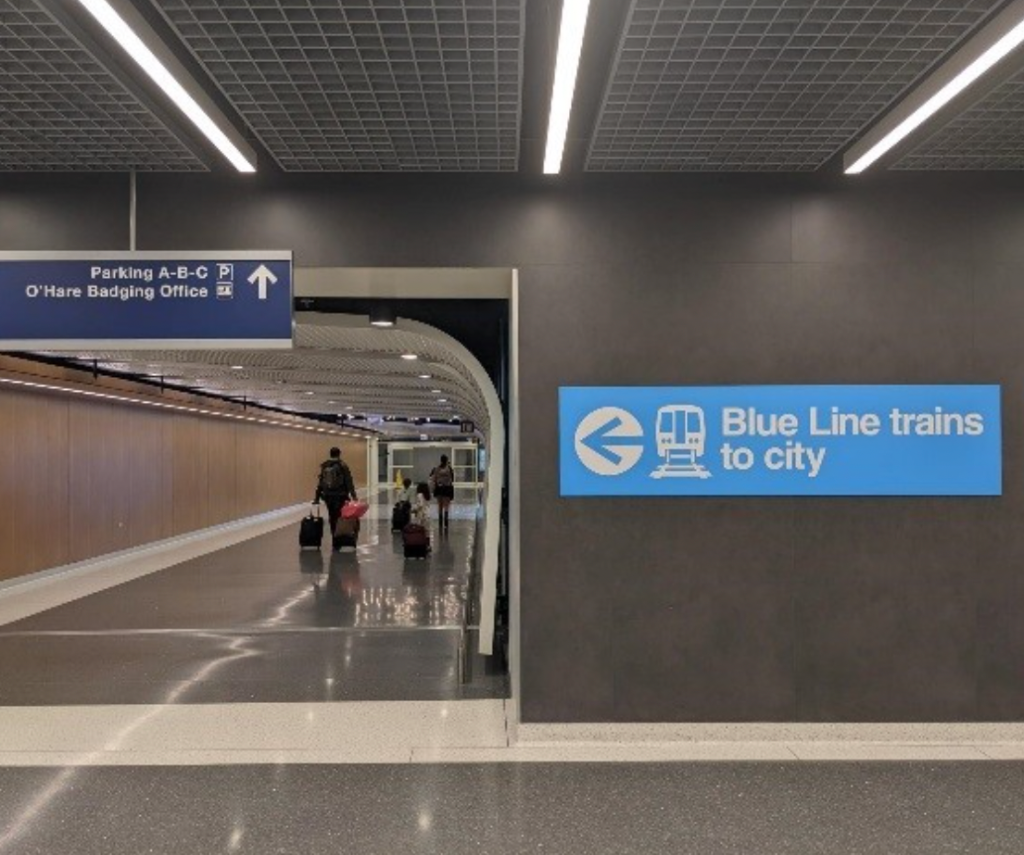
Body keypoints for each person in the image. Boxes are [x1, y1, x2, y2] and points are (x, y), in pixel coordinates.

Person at [315, 446, 357, 537]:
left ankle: (333, 533)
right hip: (340, 495)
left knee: (331, 515)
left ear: (330, 454)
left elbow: (320, 482)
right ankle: (340, 534)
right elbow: (348, 481)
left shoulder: (325, 465)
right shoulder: (343, 465)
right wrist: (354, 496)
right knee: (340, 515)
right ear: (339, 454)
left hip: (327, 495)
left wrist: (317, 497)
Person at [430, 454, 455, 534]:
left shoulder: (437, 469)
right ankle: (446, 523)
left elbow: (433, 478)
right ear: (447, 460)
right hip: (447, 489)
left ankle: (440, 523)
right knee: (446, 506)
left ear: (441, 460)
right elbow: (452, 479)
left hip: (439, 489)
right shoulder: (449, 469)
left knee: (440, 505)